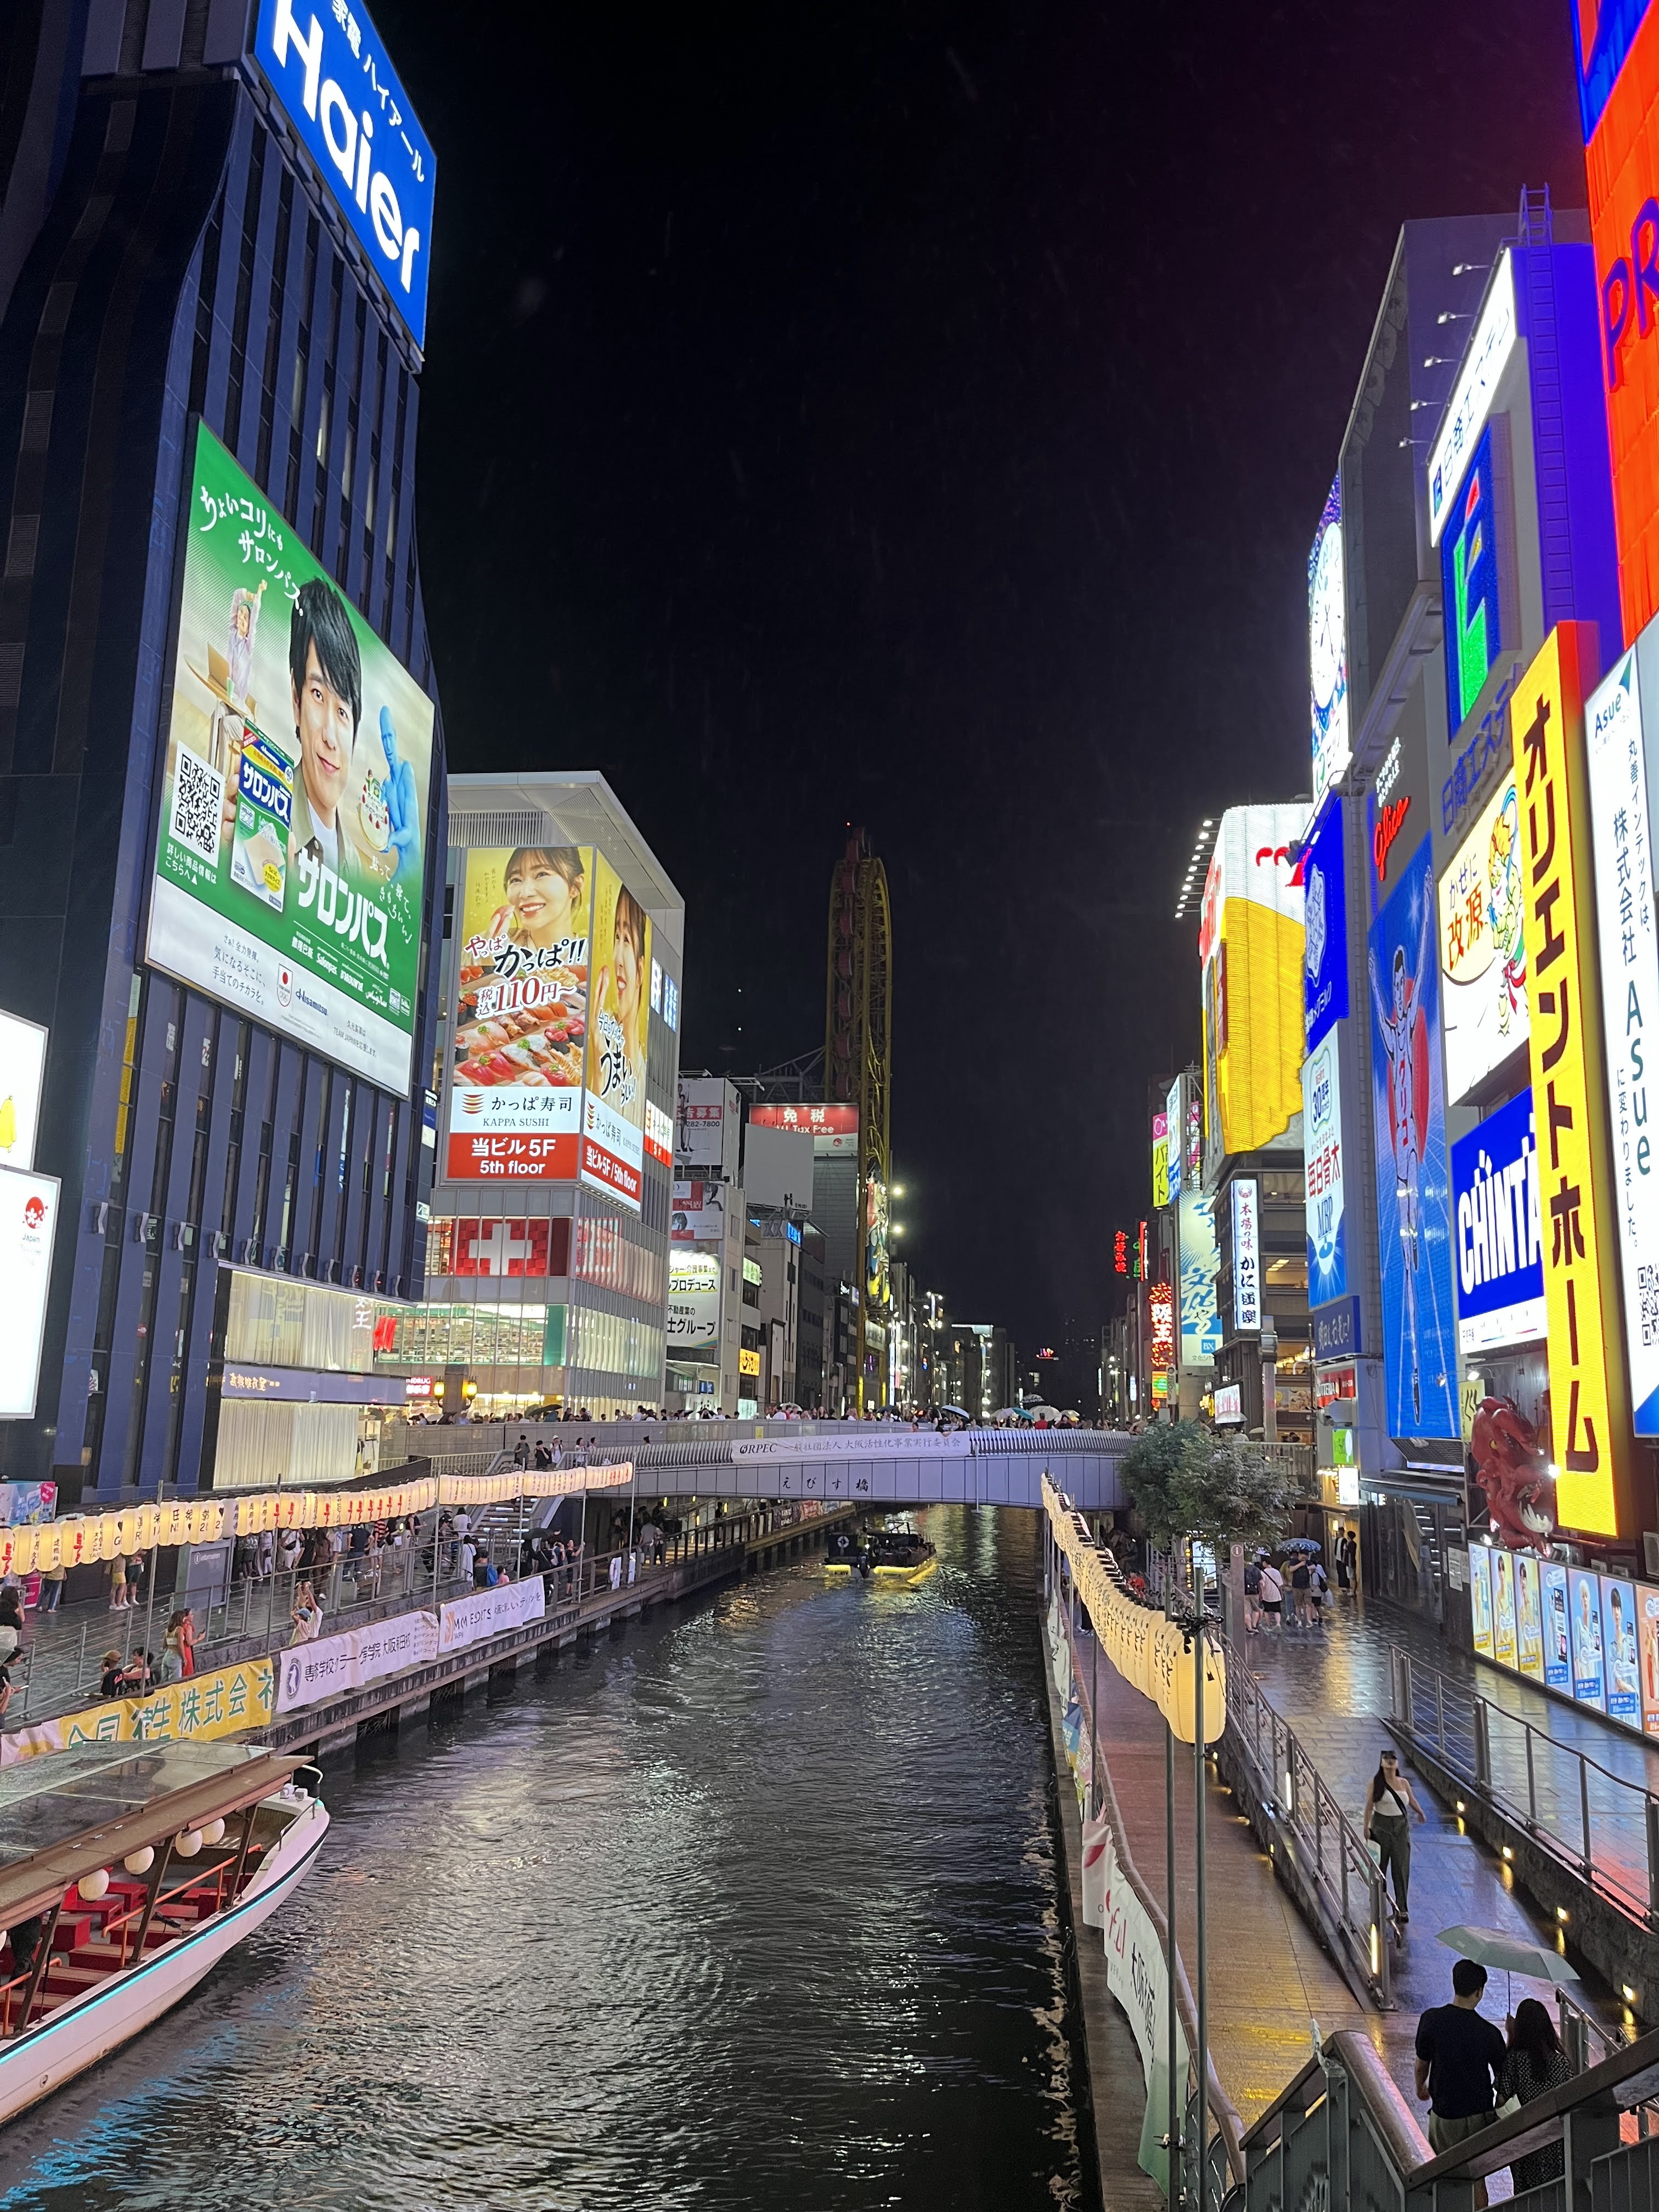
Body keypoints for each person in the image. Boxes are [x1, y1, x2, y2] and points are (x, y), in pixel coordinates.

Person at [1416, 1959, 1506, 2191]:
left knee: (1442, 2172)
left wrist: (1420, 2088)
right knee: (1476, 2177)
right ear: (1479, 1992)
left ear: (1455, 1984)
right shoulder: (1489, 2032)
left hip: (1445, 2113)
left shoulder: (1431, 2020)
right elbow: (1503, 2075)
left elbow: (1422, 2064)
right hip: (1479, 2115)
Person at [1498, 2000, 1575, 2192]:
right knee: (1554, 2191)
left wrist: (1510, 2036)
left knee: (1526, 2194)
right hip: (1555, 2140)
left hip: (1525, 2139)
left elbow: (1502, 2099)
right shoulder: (1562, 2063)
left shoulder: (1515, 2060)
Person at [1365, 1748, 1427, 1922]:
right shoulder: (1376, 1784)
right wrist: (1366, 1827)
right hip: (1381, 1827)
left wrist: (1420, 1812)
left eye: (1393, 1760)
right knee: (1380, 1867)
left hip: (1401, 1828)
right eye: (1387, 1760)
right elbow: (1369, 1806)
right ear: (1382, 1764)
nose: (1390, 1762)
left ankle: (1402, 1907)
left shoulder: (1404, 1783)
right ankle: (1377, 1902)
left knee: (1401, 1867)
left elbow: (1411, 1800)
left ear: (1397, 1764)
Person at [487, 845, 586, 953]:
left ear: (575, 886)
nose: (525, 894)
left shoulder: (591, 957)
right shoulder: (490, 947)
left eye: (541, 874)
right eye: (516, 880)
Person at [1258, 1557, 1285, 1632]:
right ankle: (1278, 1624)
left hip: (1267, 1595)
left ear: (1265, 1563)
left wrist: (1261, 1594)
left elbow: (1262, 1585)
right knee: (1277, 1611)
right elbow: (1280, 1585)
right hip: (1276, 1595)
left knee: (1267, 1611)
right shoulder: (1277, 1572)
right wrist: (1281, 1594)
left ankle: (1269, 1626)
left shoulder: (1263, 1573)